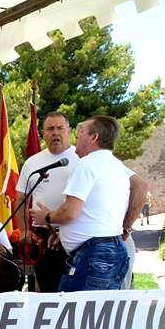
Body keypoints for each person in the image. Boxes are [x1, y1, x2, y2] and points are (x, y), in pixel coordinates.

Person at [30, 115, 130, 292]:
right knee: (100, 307)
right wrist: (64, 234)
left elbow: (70, 212)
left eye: (81, 131)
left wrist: (47, 217)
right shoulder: (116, 165)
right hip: (111, 250)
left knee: (71, 307)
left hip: (93, 256)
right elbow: (96, 212)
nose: (76, 135)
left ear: (94, 138)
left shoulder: (87, 164)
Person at [15, 112, 76, 293]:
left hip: (74, 233)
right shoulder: (32, 163)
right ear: (43, 133)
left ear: (69, 131)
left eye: (60, 128)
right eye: (50, 129)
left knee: (74, 292)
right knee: (48, 290)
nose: (55, 133)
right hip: (43, 235)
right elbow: (21, 199)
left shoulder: (81, 158)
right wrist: (24, 230)